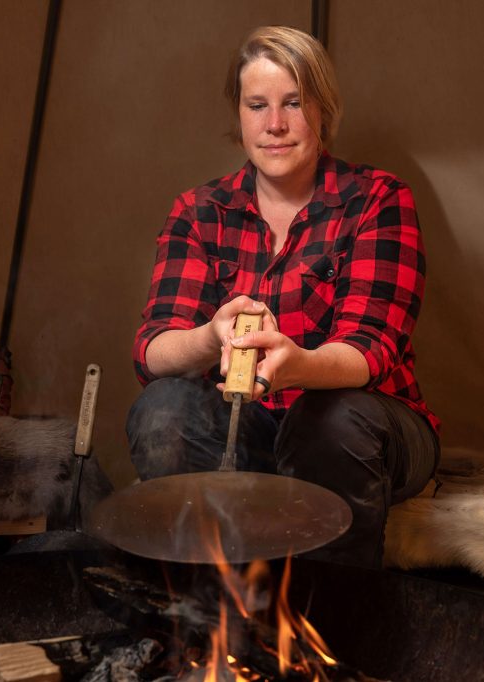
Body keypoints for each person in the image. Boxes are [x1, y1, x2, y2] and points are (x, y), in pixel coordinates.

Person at [127, 25, 439, 569]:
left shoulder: (377, 199)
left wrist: (299, 367)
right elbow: (153, 350)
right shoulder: (199, 211)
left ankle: (332, 618)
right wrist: (209, 336)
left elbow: (371, 350)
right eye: (257, 105)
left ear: (324, 111)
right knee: (162, 412)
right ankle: (213, 611)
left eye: (294, 103)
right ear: (239, 115)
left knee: (330, 422)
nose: (275, 125)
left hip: (366, 430)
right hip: (244, 429)